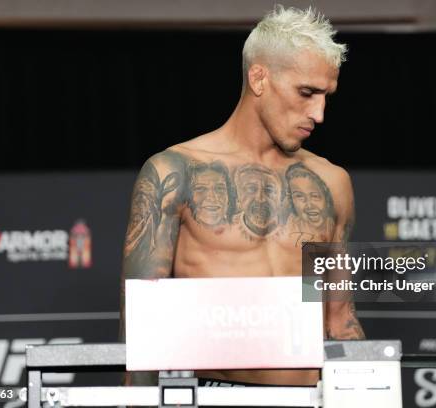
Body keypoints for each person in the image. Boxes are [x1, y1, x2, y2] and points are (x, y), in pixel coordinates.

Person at [120, 5, 365, 387]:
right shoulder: (175, 173)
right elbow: (141, 329)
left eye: (326, 96)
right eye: (306, 93)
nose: (319, 114)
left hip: (313, 395)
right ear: (259, 78)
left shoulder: (332, 182)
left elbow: (340, 321)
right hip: (221, 395)